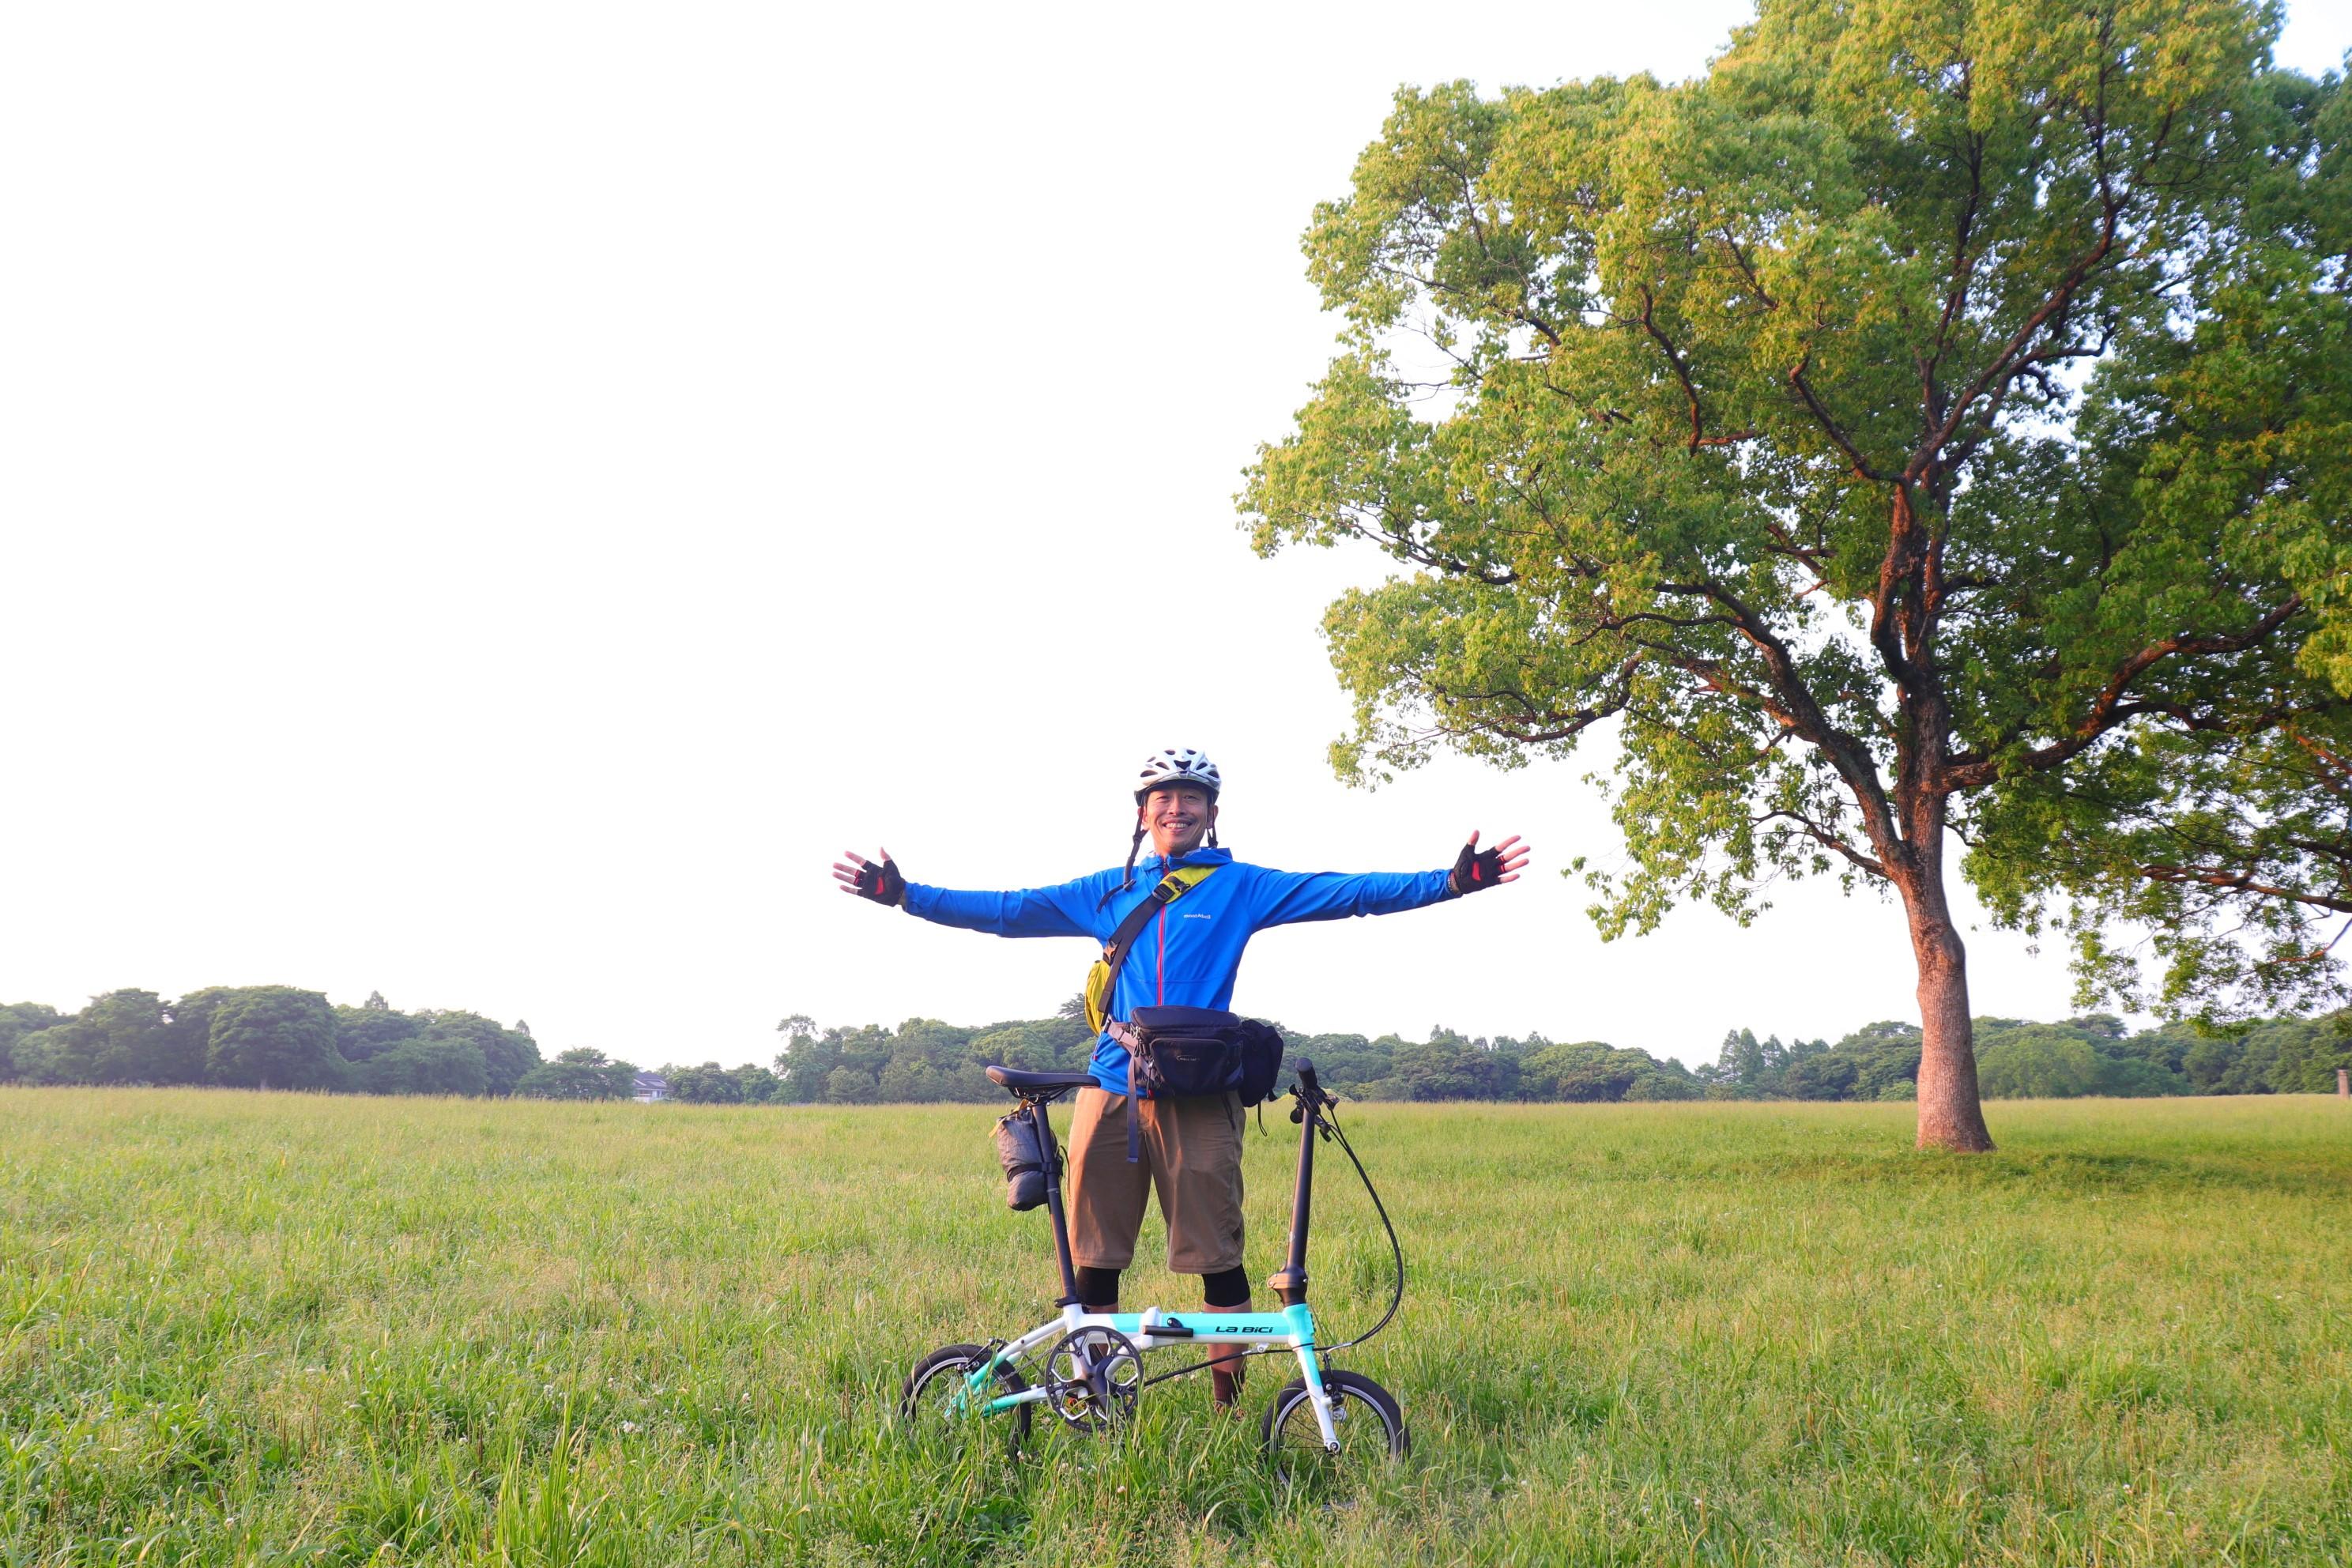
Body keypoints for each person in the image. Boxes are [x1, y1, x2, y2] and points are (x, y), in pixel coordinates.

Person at [831, 747, 1528, 1412]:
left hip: (1201, 1097)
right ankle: (1097, 1402)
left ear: (1211, 813)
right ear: (1142, 813)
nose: (1176, 808)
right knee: (1095, 1261)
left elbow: (1347, 893)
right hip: (1111, 1091)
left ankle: (1228, 1410)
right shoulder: (1108, 892)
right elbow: (1007, 911)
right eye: (1163, 797)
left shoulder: (1241, 886)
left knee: (1218, 1260)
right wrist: (906, 896)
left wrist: (1450, 882)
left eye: (1191, 798)